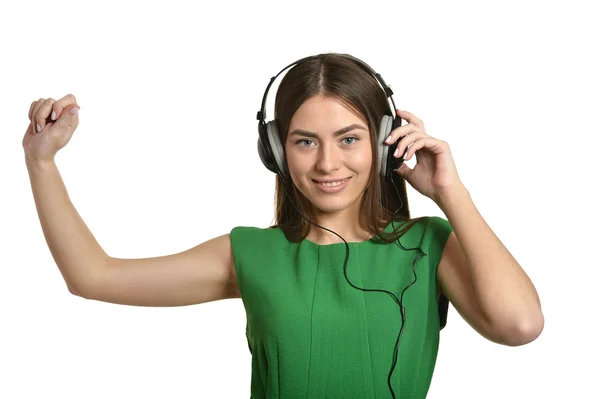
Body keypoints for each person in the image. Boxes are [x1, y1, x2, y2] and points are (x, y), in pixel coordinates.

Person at [23, 53, 544, 399]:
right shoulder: (249, 255)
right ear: (275, 151)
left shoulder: (430, 246)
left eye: (348, 139)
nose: (327, 164)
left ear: (385, 141)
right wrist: (41, 162)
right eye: (304, 141)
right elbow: (92, 277)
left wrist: (450, 194)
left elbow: (520, 325)